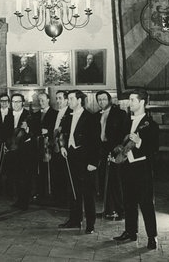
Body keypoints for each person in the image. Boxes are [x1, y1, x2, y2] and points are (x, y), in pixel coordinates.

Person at [113, 89, 159, 250]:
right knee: (129, 202)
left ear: (141, 102)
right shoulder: (126, 121)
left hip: (142, 170)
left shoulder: (151, 124)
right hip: (126, 168)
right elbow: (119, 140)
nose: (129, 103)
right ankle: (130, 232)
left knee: (146, 204)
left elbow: (154, 148)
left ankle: (152, 237)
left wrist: (139, 142)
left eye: (132, 100)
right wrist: (115, 152)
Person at [58, 90, 98, 234]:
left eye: (70, 99)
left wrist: (93, 162)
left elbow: (95, 142)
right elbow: (62, 135)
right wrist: (62, 147)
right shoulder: (67, 116)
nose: (68, 101)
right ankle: (74, 219)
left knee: (87, 192)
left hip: (85, 158)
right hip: (71, 156)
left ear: (79, 100)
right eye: (68, 99)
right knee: (72, 190)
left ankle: (90, 224)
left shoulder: (90, 117)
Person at [95, 91, 128, 220]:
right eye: (99, 100)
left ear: (109, 100)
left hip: (115, 149)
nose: (101, 102)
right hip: (102, 150)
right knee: (105, 180)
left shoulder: (119, 114)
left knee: (116, 181)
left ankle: (121, 211)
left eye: (104, 99)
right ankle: (108, 210)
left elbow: (124, 132)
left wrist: (119, 147)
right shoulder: (98, 115)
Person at [31, 92, 58, 205]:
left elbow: (56, 129)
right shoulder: (36, 114)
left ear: (48, 100)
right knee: (39, 169)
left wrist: (49, 132)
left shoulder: (55, 113)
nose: (41, 102)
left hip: (49, 145)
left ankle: (51, 193)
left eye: (43, 100)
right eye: (39, 100)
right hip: (38, 145)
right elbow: (33, 128)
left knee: (50, 169)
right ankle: (40, 192)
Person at [10, 93, 33, 210]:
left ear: (23, 103)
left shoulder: (28, 115)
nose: (16, 104)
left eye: (18, 102)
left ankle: (25, 201)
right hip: (12, 149)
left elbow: (34, 132)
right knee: (15, 176)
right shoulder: (9, 115)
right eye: (13, 102)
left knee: (24, 177)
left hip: (24, 151)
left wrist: (27, 129)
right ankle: (19, 199)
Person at [52, 90, 73, 207]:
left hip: (64, 147)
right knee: (58, 173)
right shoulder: (58, 112)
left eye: (60, 98)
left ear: (66, 100)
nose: (58, 101)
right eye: (57, 98)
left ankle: (65, 200)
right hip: (56, 146)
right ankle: (59, 198)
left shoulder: (69, 112)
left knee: (65, 174)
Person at [0, 93, 14, 197]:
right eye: (2, 101)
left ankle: (9, 191)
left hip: (9, 144)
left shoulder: (12, 113)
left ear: (9, 102)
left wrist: (7, 142)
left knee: (9, 168)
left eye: (6, 101)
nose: (4, 103)